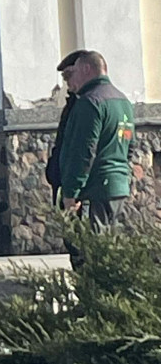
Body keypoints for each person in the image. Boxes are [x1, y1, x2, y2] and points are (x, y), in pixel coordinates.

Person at [59, 51, 135, 230]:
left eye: (73, 73)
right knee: (110, 249)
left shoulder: (90, 102)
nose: (69, 82)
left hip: (94, 190)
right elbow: (129, 147)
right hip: (118, 187)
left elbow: (83, 151)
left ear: (86, 69)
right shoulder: (123, 101)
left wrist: (71, 192)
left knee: (91, 250)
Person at [45, 49, 88, 205]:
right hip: (62, 179)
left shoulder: (86, 104)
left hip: (78, 189)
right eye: (64, 77)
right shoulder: (72, 103)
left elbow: (83, 149)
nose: (67, 83)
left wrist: (74, 190)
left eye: (69, 76)